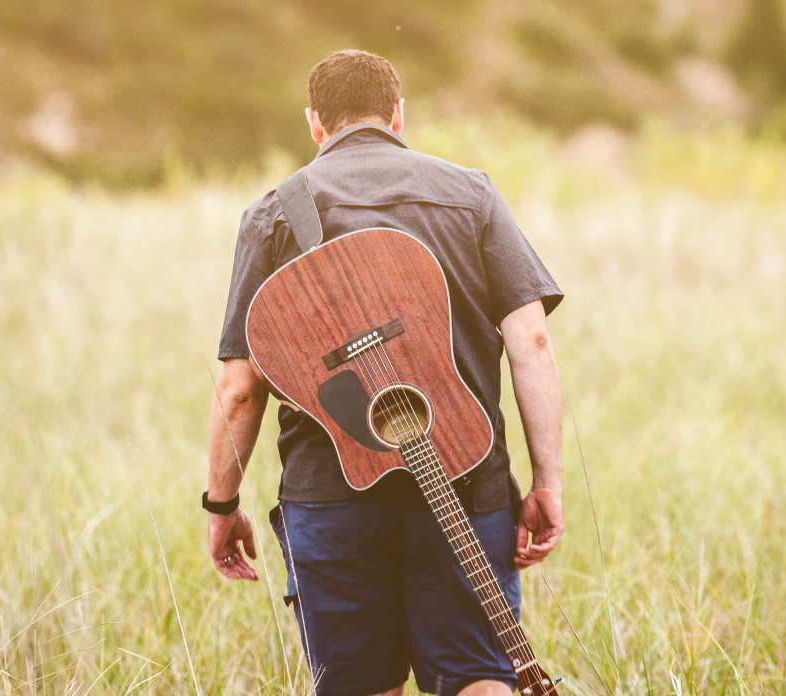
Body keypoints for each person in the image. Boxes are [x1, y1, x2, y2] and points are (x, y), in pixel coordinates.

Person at [205, 49, 565, 696]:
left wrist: (222, 504)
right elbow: (531, 340)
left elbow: (238, 389)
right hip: (466, 478)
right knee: (481, 680)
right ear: (399, 115)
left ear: (315, 124)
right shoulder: (471, 195)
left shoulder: (271, 216)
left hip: (330, 496)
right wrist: (548, 482)